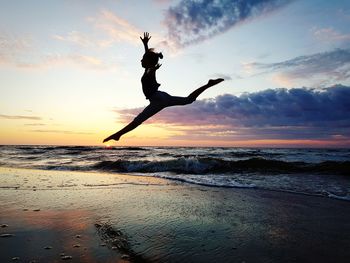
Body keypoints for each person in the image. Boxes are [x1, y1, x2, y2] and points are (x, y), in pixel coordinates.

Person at [103, 32, 224, 143]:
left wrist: (152, 66)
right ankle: (208, 85)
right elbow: (148, 58)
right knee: (188, 100)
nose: (140, 60)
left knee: (138, 120)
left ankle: (117, 135)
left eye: (142, 59)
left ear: (148, 63)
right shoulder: (148, 68)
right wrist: (146, 44)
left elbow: (150, 63)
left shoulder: (150, 70)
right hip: (161, 96)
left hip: (157, 99)